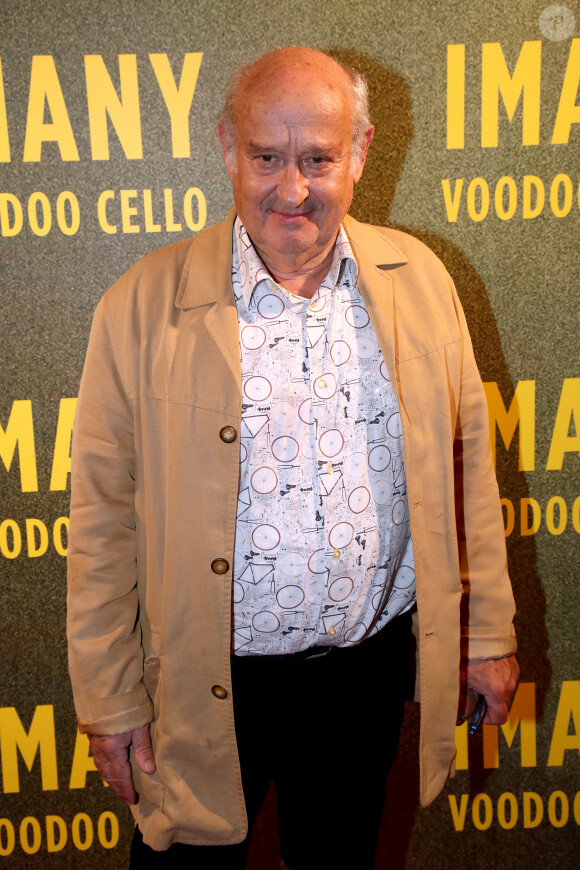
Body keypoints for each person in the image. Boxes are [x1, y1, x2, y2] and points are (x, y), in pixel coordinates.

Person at [67, 47, 519, 868]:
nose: (292, 189)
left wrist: (486, 631)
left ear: (361, 151)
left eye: (317, 159)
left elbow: (466, 473)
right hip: (203, 685)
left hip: (363, 679)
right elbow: (100, 521)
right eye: (267, 158)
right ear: (227, 146)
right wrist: (108, 698)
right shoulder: (139, 305)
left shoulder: (421, 282)